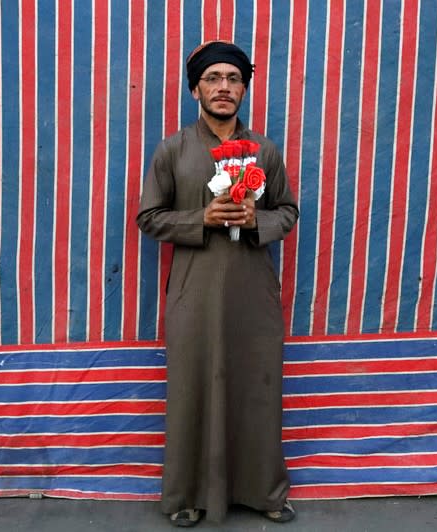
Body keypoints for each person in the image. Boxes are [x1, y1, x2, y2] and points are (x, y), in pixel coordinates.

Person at [136, 41, 299, 526]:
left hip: (253, 293)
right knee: (192, 390)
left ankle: (265, 493)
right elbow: (149, 216)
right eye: (213, 78)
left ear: (244, 88)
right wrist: (201, 218)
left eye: (233, 78)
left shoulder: (265, 150)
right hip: (194, 291)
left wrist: (255, 221)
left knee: (258, 388)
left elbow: (287, 212)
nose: (224, 87)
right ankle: (187, 494)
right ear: (195, 89)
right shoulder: (173, 149)